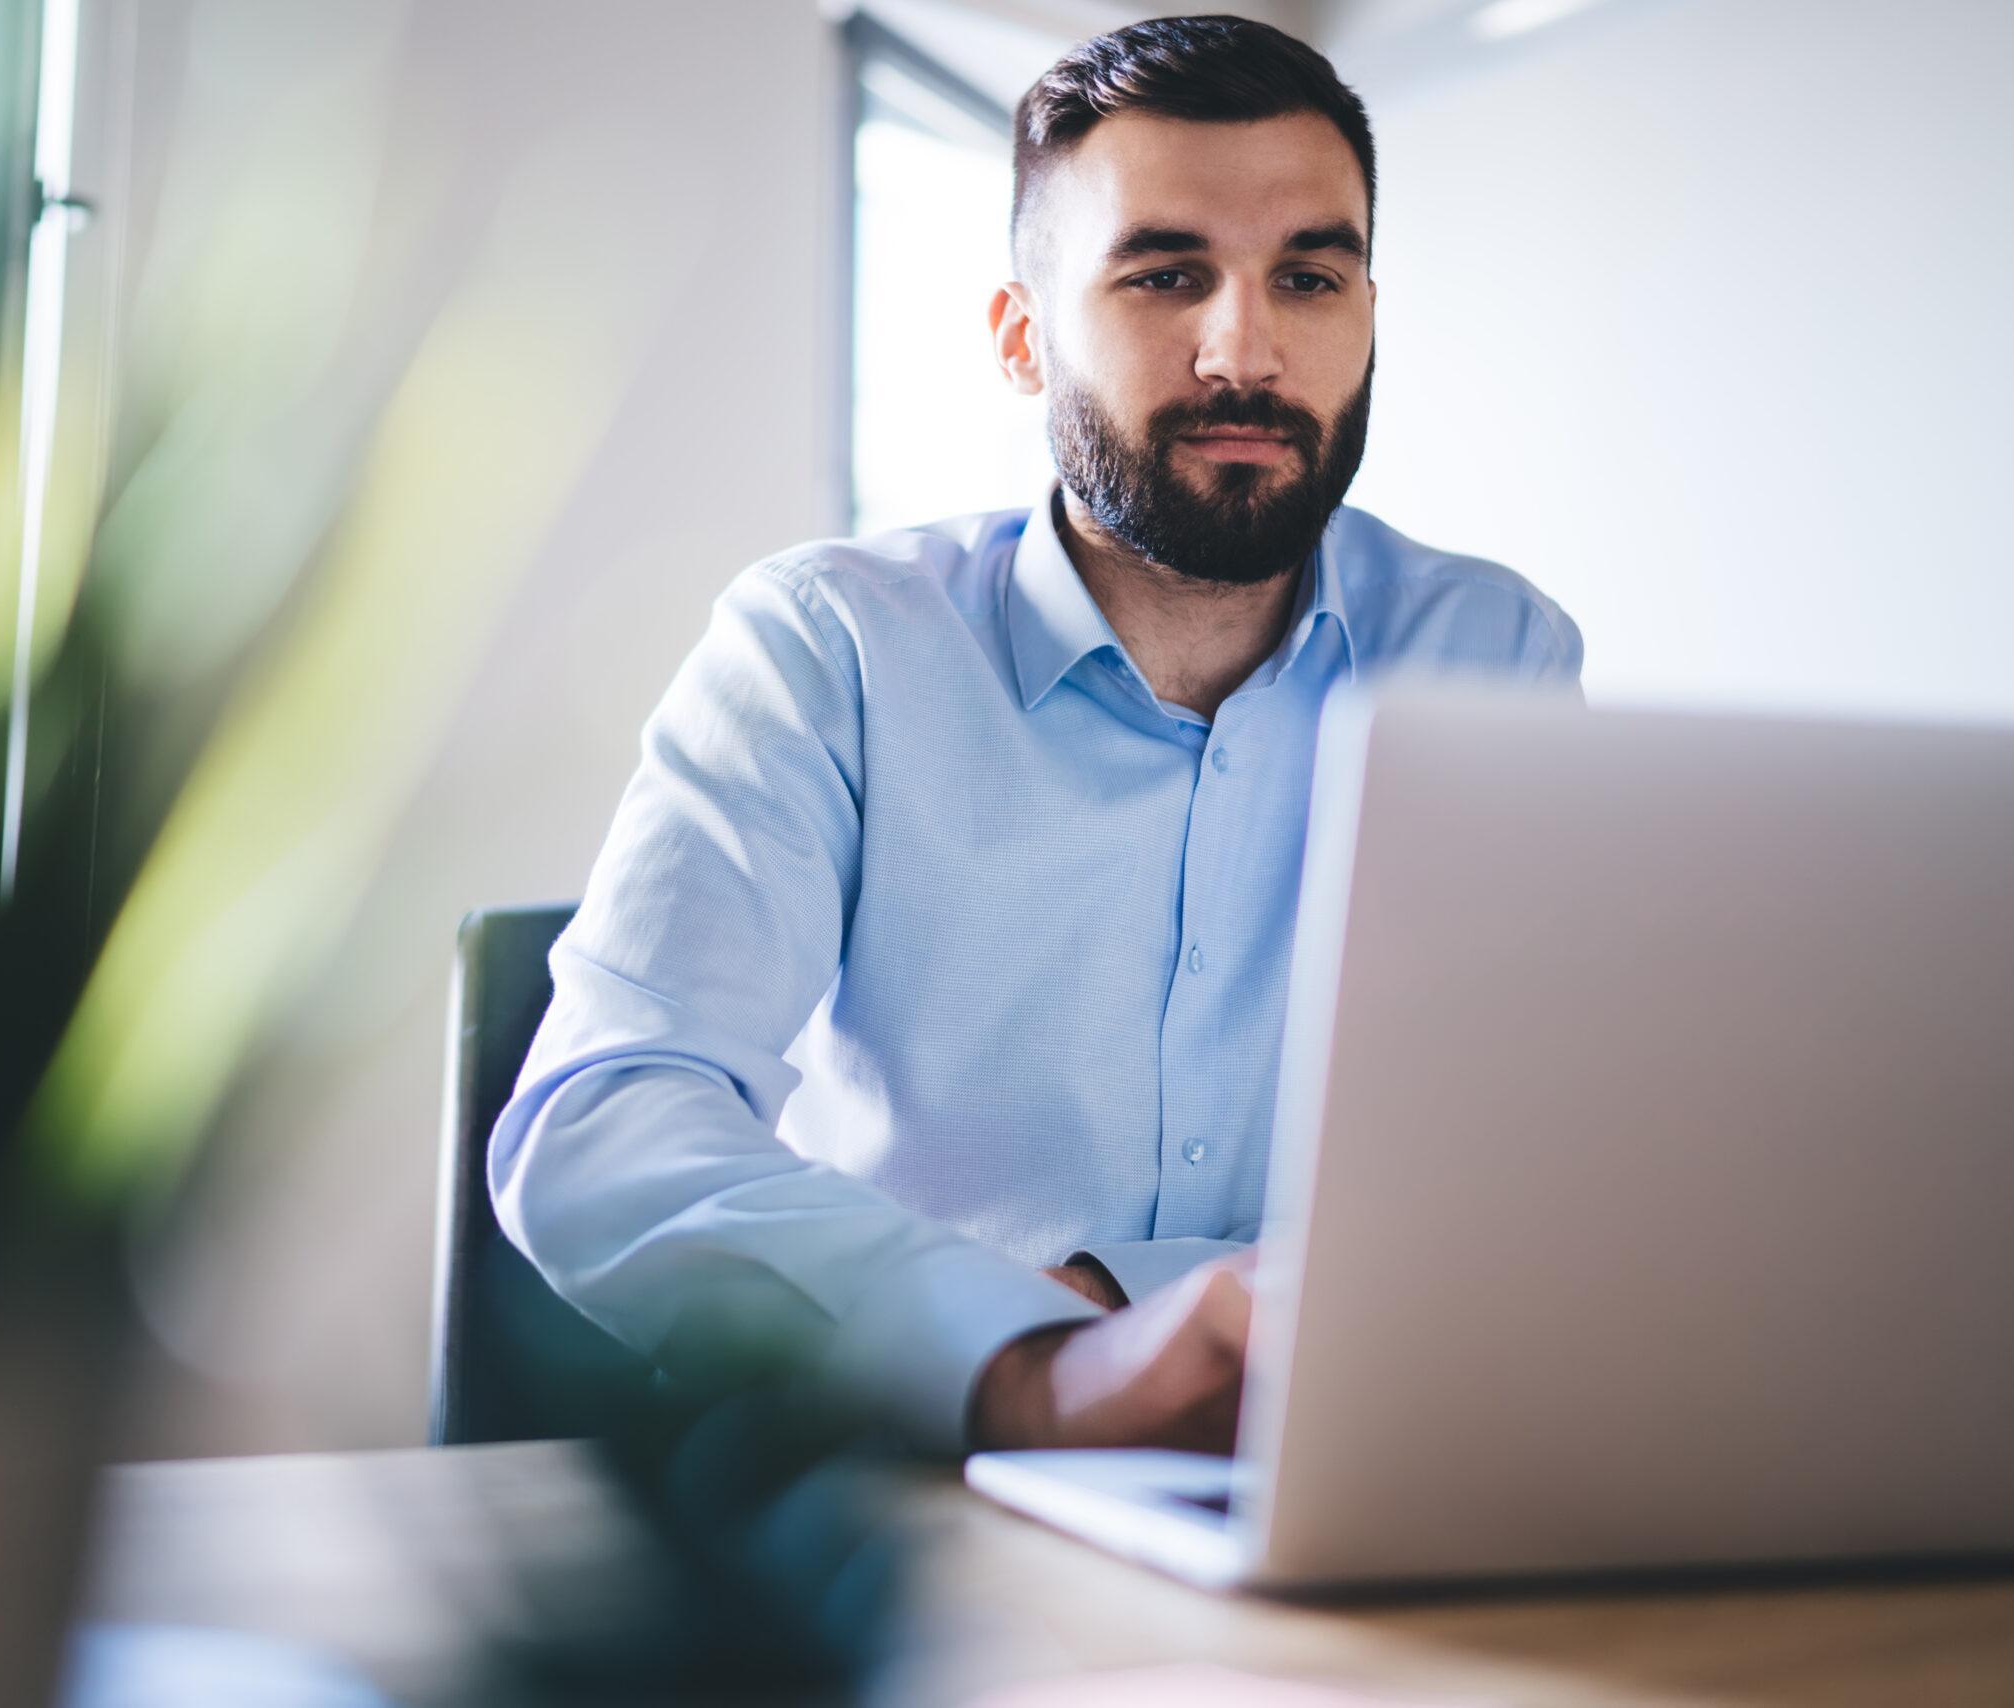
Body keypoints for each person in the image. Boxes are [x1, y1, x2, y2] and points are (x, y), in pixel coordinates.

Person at [489, 14, 1581, 1456]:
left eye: (1309, 276)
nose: (1244, 350)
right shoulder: (830, 646)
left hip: (1362, 1461)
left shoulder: (1491, 656)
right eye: (1164, 273)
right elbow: (602, 1127)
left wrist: (1110, 1303)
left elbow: (1517, 1159)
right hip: (920, 1473)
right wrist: (1015, 1357)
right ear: (1022, 338)